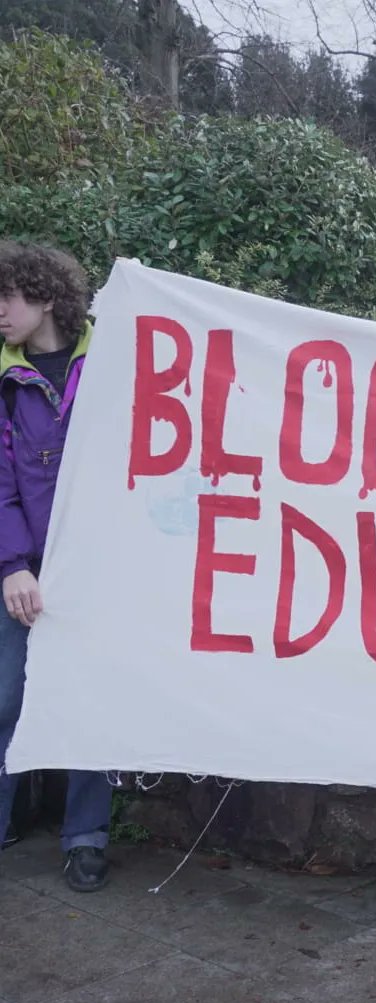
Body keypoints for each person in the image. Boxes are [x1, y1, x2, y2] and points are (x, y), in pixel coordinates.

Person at [0, 241, 112, 891]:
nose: (0, 312)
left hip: (98, 569)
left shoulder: (114, 360)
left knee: (88, 701)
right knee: (8, 697)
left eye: (7, 297)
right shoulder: (4, 379)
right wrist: (13, 564)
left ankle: (86, 836)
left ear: (45, 296)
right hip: (23, 568)